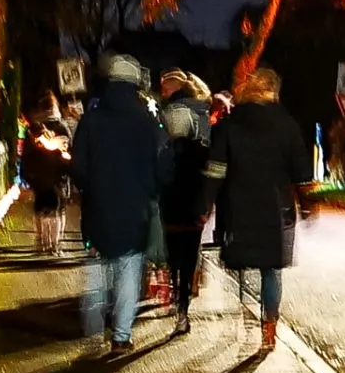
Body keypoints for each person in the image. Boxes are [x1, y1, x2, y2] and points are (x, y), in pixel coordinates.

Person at [207, 67, 313, 355]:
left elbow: (216, 169)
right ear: (273, 91)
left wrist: (206, 204)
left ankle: (244, 317)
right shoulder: (286, 124)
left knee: (241, 267)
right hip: (274, 208)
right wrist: (307, 203)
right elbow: (301, 171)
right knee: (271, 269)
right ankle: (269, 326)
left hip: (238, 206)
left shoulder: (230, 125)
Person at [71, 56, 161, 356]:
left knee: (98, 265)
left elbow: (79, 165)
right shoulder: (146, 121)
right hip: (135, 208)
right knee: (129, 269)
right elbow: (158, 165)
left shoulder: (92, 119)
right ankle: (121, 336)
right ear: (135, 83)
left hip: (99, 205)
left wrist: (89, 187)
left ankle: (93, 329)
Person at [157, 69, 216, 320]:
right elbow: (209, 179)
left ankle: (174, 293)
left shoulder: (164, 151)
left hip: (170, 209)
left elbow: (158, 177)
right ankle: (183, 305)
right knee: (190, 256)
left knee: (173, 254)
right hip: (193, 211)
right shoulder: (202, 149)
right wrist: (207, 206)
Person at [20, 105, 76, 257]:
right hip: (57, 178)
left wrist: (26, 175)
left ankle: (42, 243)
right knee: (57, 210)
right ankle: (55, 244)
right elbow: (69, 151)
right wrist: (68, 170)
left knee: (41, 210)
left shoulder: (35, 129)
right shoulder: (61, 128)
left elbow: (27, 155)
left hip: (41, 177)